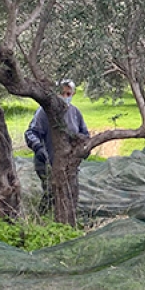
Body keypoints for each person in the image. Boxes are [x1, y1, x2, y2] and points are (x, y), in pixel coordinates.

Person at [24, 79, 90, 215]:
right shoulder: (44, 112)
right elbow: (31, 133)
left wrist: (85, 148)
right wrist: (38, 147)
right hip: (47, 161)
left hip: (69, 164)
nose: (64, 97)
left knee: (70, 194)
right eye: (61, 93)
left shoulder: (75, 113)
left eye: (68, 94)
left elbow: (85, 135)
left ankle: (67, 220)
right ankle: (41, 218)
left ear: (73, 94)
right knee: (51, 194)